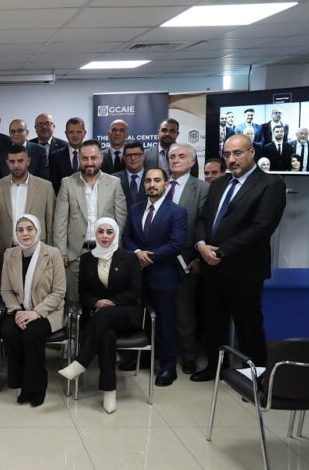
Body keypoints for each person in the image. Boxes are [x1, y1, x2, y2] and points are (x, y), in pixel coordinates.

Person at [192, 134, 287, 381]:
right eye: (227, 154)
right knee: (214, 321)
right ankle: (214, 367)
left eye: (237, 153)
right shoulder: (218, 184)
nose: (232, 159)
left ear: (252, 152)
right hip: (212, 267)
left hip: (244, 269)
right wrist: (201, 245)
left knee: (248, 324)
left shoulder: (270, 184)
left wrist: (221, 251)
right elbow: (202, 219)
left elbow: (261, 227)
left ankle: (255, 377)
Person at [58, 218, 141, 413]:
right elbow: (84, 292)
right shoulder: (87, 259)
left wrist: (110, 303)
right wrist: (96, 302)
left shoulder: (129, 258)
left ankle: (81, 362)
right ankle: (109, 391)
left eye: (109, 232)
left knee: (104, 316)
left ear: (115, 235)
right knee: (107, 336)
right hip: (98, 316)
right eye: (100, 231)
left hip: (124, 314)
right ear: (95, 234)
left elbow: (135, 291)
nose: (104, 236)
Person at [122, 168, 187, 387]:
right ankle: (138, 358)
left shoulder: (177, 211)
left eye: (157, 180)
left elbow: (177, 244)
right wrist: (136, 253)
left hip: (163, 276)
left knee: (165, 323)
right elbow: (126, 237)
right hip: (137, 276)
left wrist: (148, 257)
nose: (152, 184)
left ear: (166, 184)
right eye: (148, 180)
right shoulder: (135, 209)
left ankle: (168, 367)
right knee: (137, 319)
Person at [0, 214, 66, 407]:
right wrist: (17, 311)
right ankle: (21, 384)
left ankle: (36, 388)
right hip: (19, 310)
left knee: (32, 334)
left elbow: (59, 291)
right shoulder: (9, 254)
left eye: (29, 229)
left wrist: (36, 313)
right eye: (20, 230)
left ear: (38, 231)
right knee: (9, 331)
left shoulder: (52, 253)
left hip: (47, 311)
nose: (25, 233)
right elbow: (6, 290)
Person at [53, 140, 127, 306]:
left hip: (106, 252)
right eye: (85, 158)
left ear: (101, 158)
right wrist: (61, 251)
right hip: (75, 253)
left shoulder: (114, 182)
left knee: (103, 300)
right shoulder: (67, 183)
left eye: (93, 158)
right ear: (79, 159)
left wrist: (115, 246)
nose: (89, 162)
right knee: (73, 300)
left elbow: (120, 218)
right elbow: (60, 220)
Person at [167, 144, 209, 375]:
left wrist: (199, 258)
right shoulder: (159, 184)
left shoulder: (202, 188)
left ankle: (188, 355)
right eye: (172, 156)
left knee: (185, 310)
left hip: (187, 257)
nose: (175, 160)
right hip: (159, 257)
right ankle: (163, 353)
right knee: (162, 307)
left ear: (192, 162)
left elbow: (204, 224)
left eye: (181, 156)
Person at [0, 145, 55, 271]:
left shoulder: (45, 187)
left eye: (20, 161)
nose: (16, 165)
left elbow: (51, 222)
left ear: (28, 161)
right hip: (6, 249)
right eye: (12, 162)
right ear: (7, 163)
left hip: (38, 249)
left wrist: (50, 250)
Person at [48, 117, 87, 193]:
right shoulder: (55, 157)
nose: (75, 135)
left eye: (79, 132)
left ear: (84, 133)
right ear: (66, 133)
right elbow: (54, 185)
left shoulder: (92, 157)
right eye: (71, 132)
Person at [112, 140, 147, 209]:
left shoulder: (152, 177)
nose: (133, 158)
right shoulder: (113, 179)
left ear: (143, 156)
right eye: (129, 155)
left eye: (136, 155)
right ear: (124, 158)